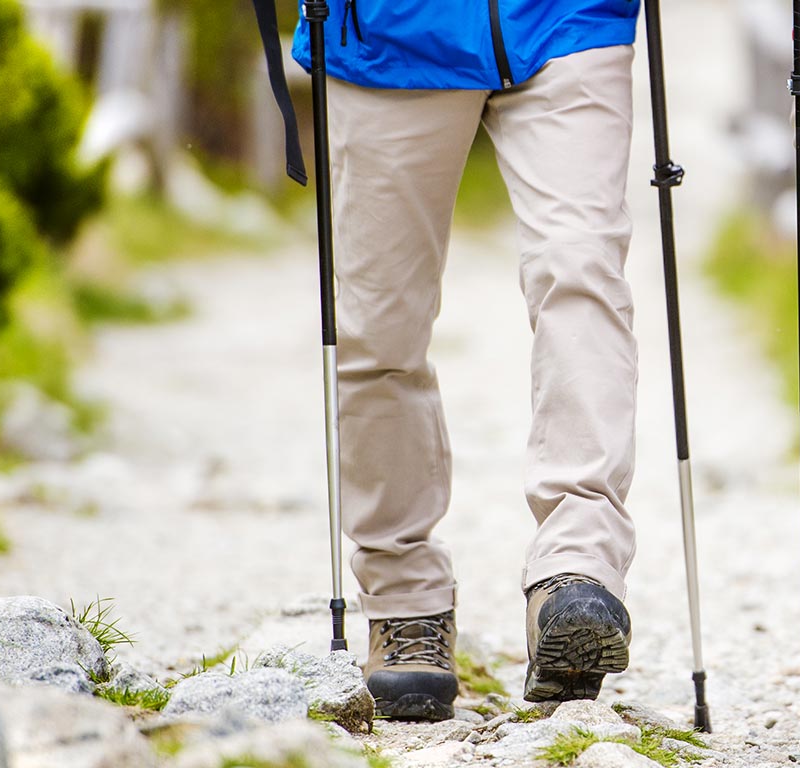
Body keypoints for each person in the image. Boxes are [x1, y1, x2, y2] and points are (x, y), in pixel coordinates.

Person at [291, 0, 645, 721]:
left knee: (580, 272)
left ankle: (577, 570)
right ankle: (404, 600)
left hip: (568, 21)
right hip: (390, 33)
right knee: (380, 328)